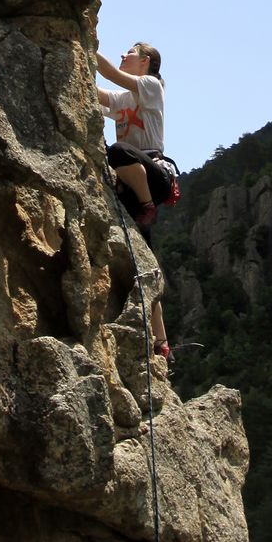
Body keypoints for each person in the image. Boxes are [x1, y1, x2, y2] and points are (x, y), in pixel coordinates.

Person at [88, 19, 174, 362]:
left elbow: (112, 75)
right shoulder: (124, 98)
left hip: (154, 173)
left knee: (118, 151)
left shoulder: (151, 86)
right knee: (144, 260)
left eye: (132, 52)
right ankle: (161, 343)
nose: (125, 54)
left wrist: (86, 43)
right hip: (130, 181)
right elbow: (96, 93)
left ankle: (146, 202)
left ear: (146, 62)